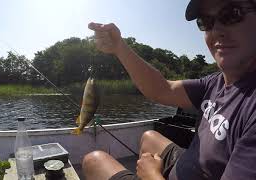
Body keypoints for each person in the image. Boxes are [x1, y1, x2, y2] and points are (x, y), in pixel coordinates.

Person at [83, 0, 256, 179]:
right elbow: (163, 89)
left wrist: (152, 175)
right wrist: (119, 47)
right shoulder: (215, 82)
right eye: (206, 21)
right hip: (194, 166)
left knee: (94, 160)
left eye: (232, 15)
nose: (217, 30)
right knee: (149, 137)